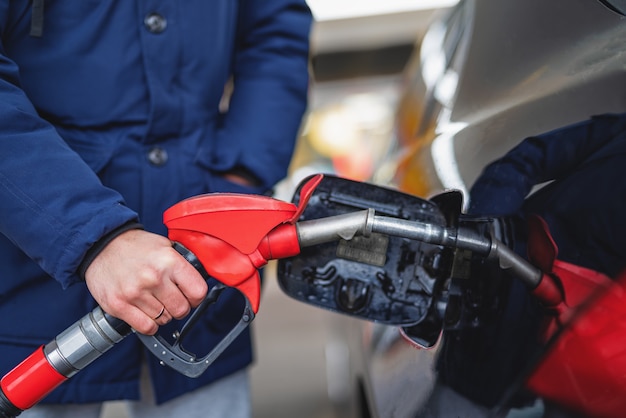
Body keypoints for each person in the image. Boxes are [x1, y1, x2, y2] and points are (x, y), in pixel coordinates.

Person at [0, 2, 312, 417]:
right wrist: (94, 237)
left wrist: (242, 172)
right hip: (33, 281)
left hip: (204, 285)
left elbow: (275, 28)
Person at [421, 112, 626, 416]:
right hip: (502, 306)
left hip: (585, 367)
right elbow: (524, 160)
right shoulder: (618, 134)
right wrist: (483, 235)